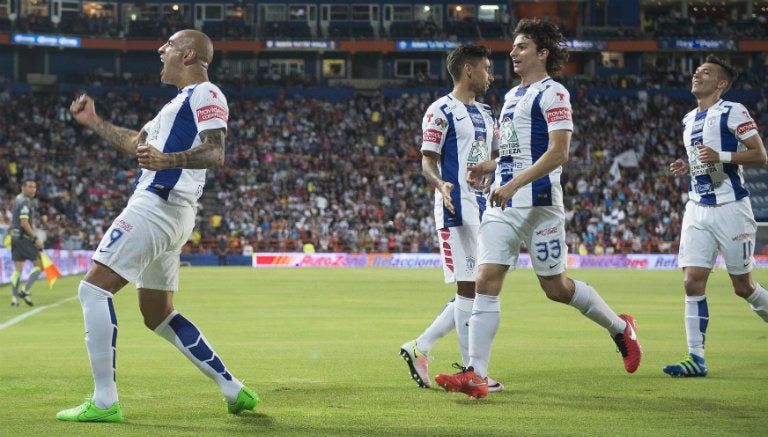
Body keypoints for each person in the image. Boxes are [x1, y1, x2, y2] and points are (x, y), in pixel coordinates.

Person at [57, 29, 258, 423]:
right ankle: (232, 387)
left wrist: (169, 161)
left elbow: (216, 151)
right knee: (158, 314)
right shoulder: (175, 106)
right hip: (172, 212)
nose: (159, 50)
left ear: (188, 55)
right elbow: (138, 143)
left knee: (92, 291)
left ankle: (104, 401)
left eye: (168, 45)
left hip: (157, 204)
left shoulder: (207, 93)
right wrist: (94, 121)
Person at [434, 19, 642, 399]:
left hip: (540, 203)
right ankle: (476, 374)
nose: (512, 53)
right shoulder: (512, 97)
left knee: (556, 288)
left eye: (522, 46)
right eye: (514, 47)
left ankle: (619, 327)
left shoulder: (555, 93)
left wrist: (515, 182)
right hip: (504, 200)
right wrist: (492, 167)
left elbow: (558, 153)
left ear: (542, 53)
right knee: (485, 282)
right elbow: (514, 153)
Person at [399, 44, 503, 392]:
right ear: (468, 70)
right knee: (469, 287)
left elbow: (498, 156)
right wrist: (440, 182)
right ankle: (474, 372)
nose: (491, 75)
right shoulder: (440, 110)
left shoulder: (488, 114)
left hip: (484, 208)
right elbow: (427, 159)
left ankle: (420, 347)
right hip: (454, 207)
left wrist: (495, 166)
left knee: (476, 287)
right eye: (487, 68)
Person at [665, 55, 768, 377]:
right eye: (696, 70)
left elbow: (760, 155)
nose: (697, 74)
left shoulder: (733, 111)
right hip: (697, 207)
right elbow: (702, 160)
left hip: (730, 208)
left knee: (743, 286)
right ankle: (696, 358)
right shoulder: (687, 119)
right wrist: (689, 166)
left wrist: (722, 155)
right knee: (692, 281)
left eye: (705, 72)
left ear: (721, 83)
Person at [9, 179, 43, 307]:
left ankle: (14, 298)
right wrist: (35, 238)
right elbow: (24, 223)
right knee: (39, 266)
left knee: (18, 269)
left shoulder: (18, 199)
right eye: (29, 187)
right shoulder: (25, 202)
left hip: (15, 237)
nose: (33, 189)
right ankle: (24, 291)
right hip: (24, 238)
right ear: (23, 188)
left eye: (34, 187)